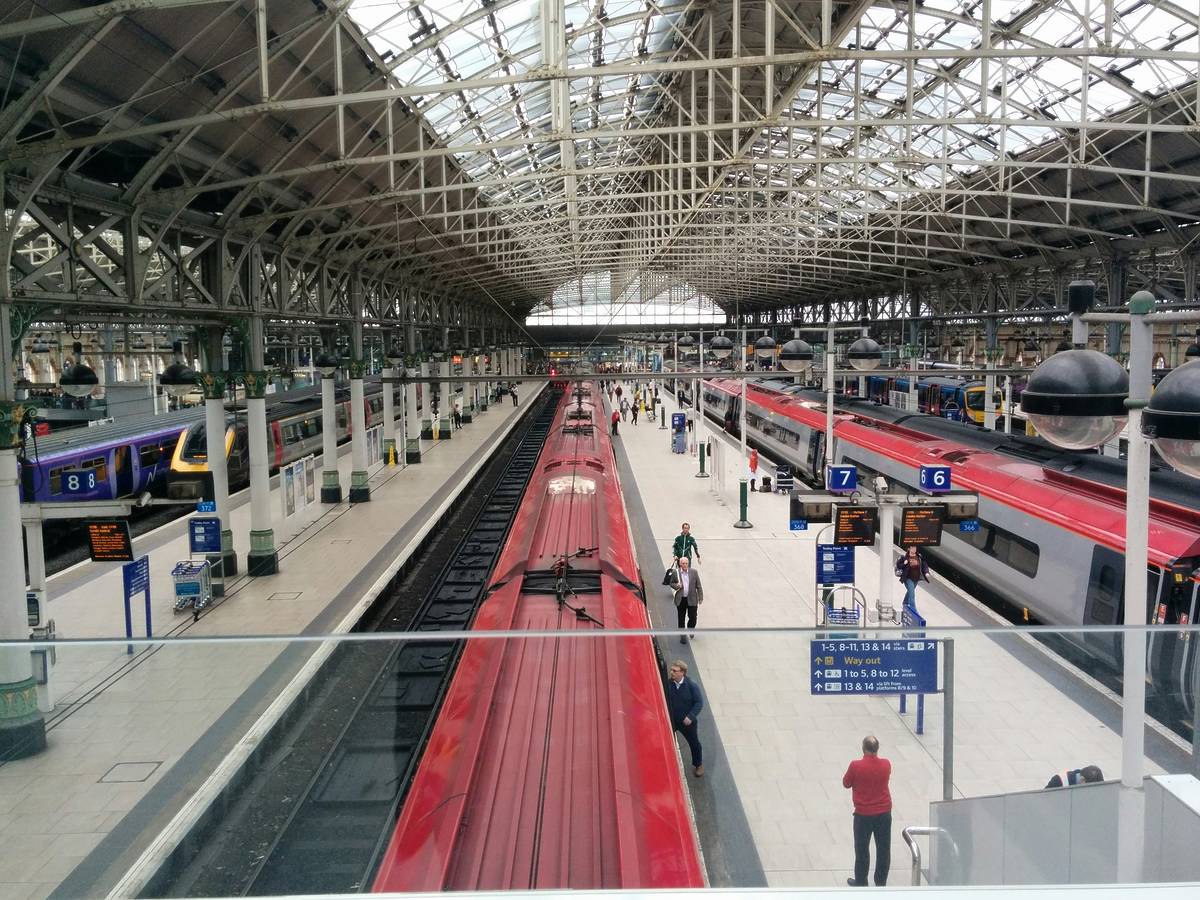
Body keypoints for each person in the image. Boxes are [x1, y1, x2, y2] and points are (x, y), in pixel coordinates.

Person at [843, 735, 892, 887]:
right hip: (884, 813)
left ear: (863, 748)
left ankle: (861, 882)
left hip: (863, 814)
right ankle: (881, 882)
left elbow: (846, 783)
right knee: (883, 849)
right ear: (877, 749)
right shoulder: (886, 764)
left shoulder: (856, 766)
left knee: (862, 849)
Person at [666, 660, 704, 776]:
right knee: (666, 741)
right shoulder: (668, 683)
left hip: (687, 722)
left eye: (675, 671)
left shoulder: (691, 685)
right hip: (672, 720)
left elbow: (699, 703)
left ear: (682, 672)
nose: (671, 672)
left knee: (694, 743)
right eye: (671, 670)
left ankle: (698, 765)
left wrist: (690, 716)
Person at [670, 556, 704, 643]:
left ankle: (690, 628)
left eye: (686, 563)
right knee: (681, 618)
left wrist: (700, 597)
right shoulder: (676, 572)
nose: (685, 565)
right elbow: (671, 583)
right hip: (681, 599)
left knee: (693, 617)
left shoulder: (694, 572)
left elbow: (699, 586)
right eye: (683, 563)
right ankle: (682, 636)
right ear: (680, 564)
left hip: (692, 598)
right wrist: (677, 586)